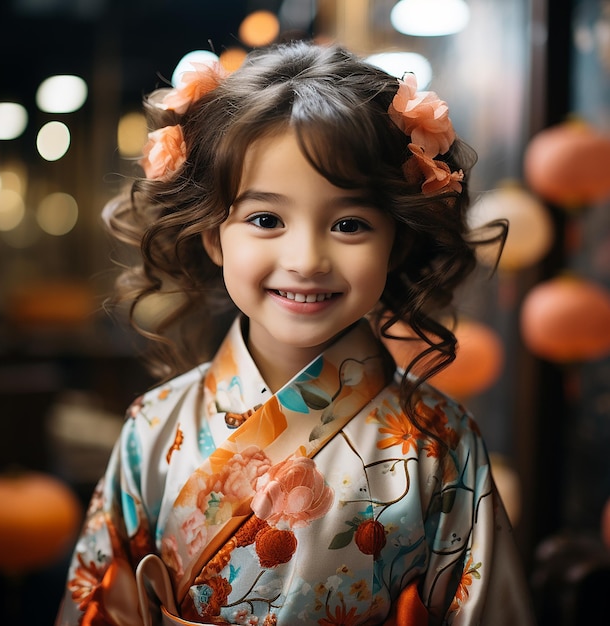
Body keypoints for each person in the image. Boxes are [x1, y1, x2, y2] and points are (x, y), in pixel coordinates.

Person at [56, 40, 535, 625]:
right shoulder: (154, 426)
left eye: (350, 223)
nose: (306, 258)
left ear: (397, 240)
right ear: (213, 234)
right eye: (265, 219)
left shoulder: (438, 443)